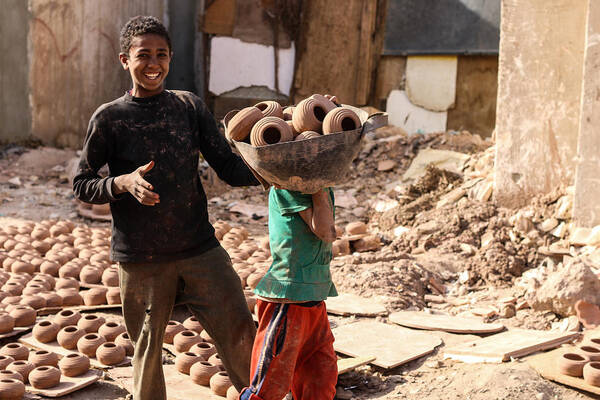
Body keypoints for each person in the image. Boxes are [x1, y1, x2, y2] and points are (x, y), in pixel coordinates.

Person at [72, 15, 258, 400]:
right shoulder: (110, 118)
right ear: (124, 60)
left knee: (241, 332)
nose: (153, 63)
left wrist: (276, 168)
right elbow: (82, 183)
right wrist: (122, 182)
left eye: (161, 54)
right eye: (143, 55)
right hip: (142, 258)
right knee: (148, 353)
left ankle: (260, 395)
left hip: (200, 250)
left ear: (171, 58)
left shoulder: (188, 107)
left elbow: (229, 167)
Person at [239, 187, 338, 400]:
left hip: (314, 299)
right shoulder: (288, 183)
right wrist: (319, 187)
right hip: (288, 301)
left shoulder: (320, 185)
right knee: (267, 390)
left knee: (320, 382)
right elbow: (325, 231)